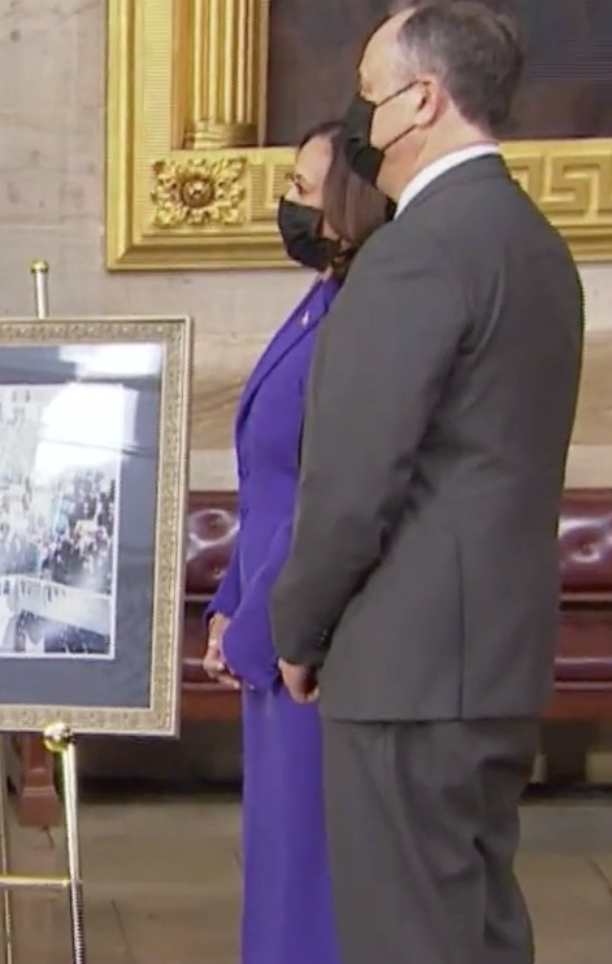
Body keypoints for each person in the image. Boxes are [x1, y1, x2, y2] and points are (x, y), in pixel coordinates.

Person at [269, 5, 584, 964]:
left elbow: (355, 482)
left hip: (408, 667)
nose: (361, 123)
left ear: (421, 101)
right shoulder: (536, 245)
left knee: (411, 936)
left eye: (368, 98)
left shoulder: (415, 251)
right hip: (494, 656)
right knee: (476, 927)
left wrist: (299, 627)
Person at [201, 120, 390, 964]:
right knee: (277, 865)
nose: (289, 205)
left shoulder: (364, 316)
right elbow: (265, 480)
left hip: (311, 640)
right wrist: (225, 602)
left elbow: (329, 495)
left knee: (312, 876)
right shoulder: (321, 299)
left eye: (305, 190)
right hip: (268, 621)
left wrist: (255, 627)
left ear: (351, 200)